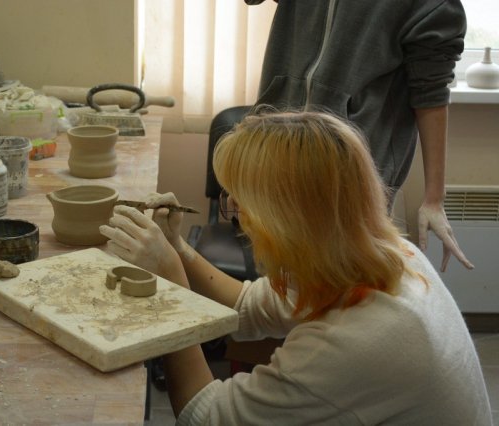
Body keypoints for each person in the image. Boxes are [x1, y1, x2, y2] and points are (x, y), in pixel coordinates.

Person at [99, 111, 492, 425]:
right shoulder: (389, 254)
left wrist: (167, 288)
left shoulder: (355, 343)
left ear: (284, 222)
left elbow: (204, 417)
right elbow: (246, 307)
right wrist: (177, 247)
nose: (238, 218)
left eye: (241, 206)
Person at [245, 0, 473, 272]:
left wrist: (434, 197)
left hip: (353, 172)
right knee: (278, 277)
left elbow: (430, 91)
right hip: (278, 150)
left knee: (344, 281)